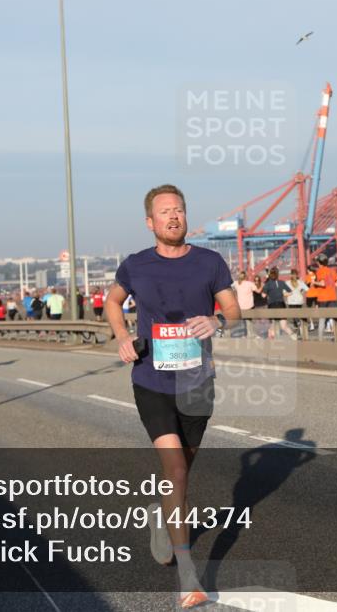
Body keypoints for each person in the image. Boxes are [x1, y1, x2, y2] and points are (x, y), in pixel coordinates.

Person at [105, 184, 239, 609]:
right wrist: (123, 334)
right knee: (177, 468)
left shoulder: (210, 262)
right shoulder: (136, 266)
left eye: (179, 210)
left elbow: (234, 313)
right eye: (165, 212)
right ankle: (188, 576)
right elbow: (112, 302)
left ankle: (161, 517)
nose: (173, 216)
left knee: (182, 472)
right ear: (151, 222)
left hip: (198, 383)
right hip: (152, 382)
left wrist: (217, 321)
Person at [313, 254, 337, 340]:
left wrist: (314, 283)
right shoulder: (332, 270)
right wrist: (331, 286)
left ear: (319, 262)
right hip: (332, 297)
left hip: (323, 298)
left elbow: (322, 283)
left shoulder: (319, 271)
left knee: (322, 319)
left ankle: (320, 339)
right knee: (336, 317)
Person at [262, 267, 295, 339]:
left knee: (271, 327)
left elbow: (263, 295)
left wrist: (268, 291)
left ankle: (272, 345)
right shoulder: (281, 282)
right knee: (284, 326)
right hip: (281, 305)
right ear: (278, 274)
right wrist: (282, 294)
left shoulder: (267, 284)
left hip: (272, 305)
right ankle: (295, 338)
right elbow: (290, 292)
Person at [233, 271, 257, 337]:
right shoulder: (250, 284)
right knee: (249, 321)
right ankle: (250, 334)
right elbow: (257, 290)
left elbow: (230, 286)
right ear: (246, 277)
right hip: (249, 306)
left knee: (243, 321)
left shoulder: (236, 283)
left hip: (241, 306)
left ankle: (244, 334)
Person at [285, 268, 308, 336]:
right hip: (299, 300)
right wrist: (302, 291)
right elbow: (307, 289)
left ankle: (297, 326)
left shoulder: (287, 282)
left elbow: (284, 292)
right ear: (297, 275)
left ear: (290, 275)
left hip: (291, 301)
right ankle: (299, 325)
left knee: (294, 316)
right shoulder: (300, 282)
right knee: (298, 315)